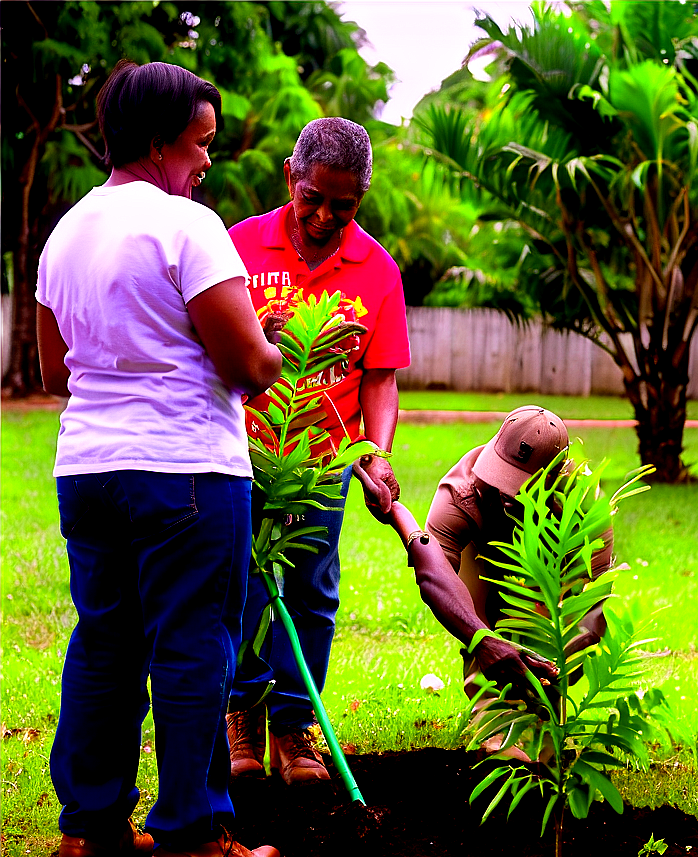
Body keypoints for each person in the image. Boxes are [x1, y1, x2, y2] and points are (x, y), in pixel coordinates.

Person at [35, 59, 288, 857]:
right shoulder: (188, 226)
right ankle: (192, 838)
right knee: (191, 646)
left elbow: (53, 372)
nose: (207, 161)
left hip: (90, 471)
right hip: (185, 469)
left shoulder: (65, 232)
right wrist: (273, 342)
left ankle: (93, 834)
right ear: (157, 142)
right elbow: (248, 363)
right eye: (200, 143)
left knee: (104, 644)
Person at [225, 117, 411, 785]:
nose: (325, 215)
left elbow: (381, 377)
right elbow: (203, 349)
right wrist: (257, 335)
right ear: (289, 178)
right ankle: (240, 714)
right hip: (238, 455)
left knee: (311, 592)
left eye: (344, 204)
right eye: (312, 198)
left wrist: (375, 452)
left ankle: (294, 728)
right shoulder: (237, 246)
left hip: (321, 463)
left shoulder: (378, 270)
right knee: (242, 585)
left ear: (361, 196)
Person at [423, 406, 615, 719]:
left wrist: (557, 669)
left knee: (559, 637)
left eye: (520, 485)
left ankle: (546, 718)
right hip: (481, 549)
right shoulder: (460, 493)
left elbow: (591, 601)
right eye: (502, 476)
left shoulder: (584, 505)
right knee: (477, 614)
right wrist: (484, 641)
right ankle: (491, 717)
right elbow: (434, 576)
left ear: (556, 477)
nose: (505, 492)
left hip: (554, 558)